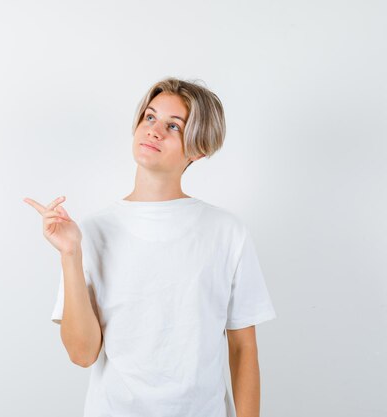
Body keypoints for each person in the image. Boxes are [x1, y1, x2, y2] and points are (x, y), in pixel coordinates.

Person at [23, 77, 277, 417]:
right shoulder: (93, 233)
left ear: (199, 149)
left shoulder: (227, 232)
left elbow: (243, 349)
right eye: (150, 117)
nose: (154, 131)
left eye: (174, 126)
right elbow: (82, 354)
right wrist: (70, 254)